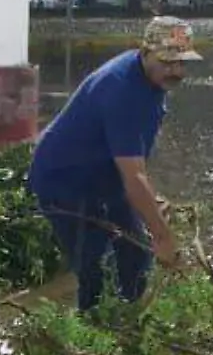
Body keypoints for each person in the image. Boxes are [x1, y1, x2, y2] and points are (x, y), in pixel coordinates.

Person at [28, 16, 200, 310]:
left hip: (107, 176)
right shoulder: (121, 90)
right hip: (67, 183)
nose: (176, 71)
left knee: (136, 255)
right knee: (97, 270)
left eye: (182, 63)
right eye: (168, 62)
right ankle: (91, 336)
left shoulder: (151, 83)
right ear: (145, 53)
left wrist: (150, 202)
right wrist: (164, 237)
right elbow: (134, 177)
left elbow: (134, 162)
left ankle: (127, 326)